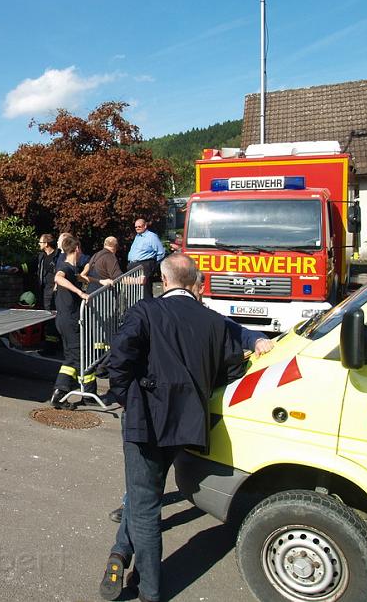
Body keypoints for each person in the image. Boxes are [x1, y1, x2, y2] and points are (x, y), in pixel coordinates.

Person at [96, 253, 246, 602]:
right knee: (143, 491)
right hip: (187, 424)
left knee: (145, 501)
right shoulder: (214, 322)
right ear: (194, 281)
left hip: (146, 421)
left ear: (164, 280)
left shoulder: (146, 311)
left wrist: (126, 396)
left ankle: (149, 588)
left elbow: (118, 360)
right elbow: (231, 370)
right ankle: (120, 553)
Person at [106, 269, 273, 527]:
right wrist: (126, 394)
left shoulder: (204, 316)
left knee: (150, 469)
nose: (202, 292)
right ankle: (136, 514)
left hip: (166, 407)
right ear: (192, 285)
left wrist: (257, 338)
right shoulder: (157, 310)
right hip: (161, 405)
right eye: (200, 287)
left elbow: (234, 330)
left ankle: (137, 518)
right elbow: (122, 355)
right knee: (146, 471)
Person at [50, 235, 93, 409]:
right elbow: (58, 278)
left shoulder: (72, 269)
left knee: (73, 355)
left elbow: (82, 278)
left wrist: (101, 281)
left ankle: (89, 392)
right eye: (80, 250)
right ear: (76, 250)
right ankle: (59, 394)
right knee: (75, 356)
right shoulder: (65, 267)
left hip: (66, 319)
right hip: (69, 320)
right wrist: (80, 293)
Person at [127, 219, 165, 300]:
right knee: (133, 290)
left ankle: (148, 308)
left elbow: (161, 252)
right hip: (133, 265)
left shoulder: (151, 236)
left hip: (144, 265)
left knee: (144, 290)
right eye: (136, 227)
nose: (137, 228)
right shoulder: (137, 237)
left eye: (139, 226)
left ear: (145, 226)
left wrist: (151, 264)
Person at [37, 233, 61, 354]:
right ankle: (52, 343)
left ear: (46, 244)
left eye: (40, 242)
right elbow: (31, 266)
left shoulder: (58, 256)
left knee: (51, 317)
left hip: (55, 290)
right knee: (48, 316)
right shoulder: (41, 256)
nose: (39, 244)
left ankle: (50, 347)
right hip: (45, 290)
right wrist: (18, 268)